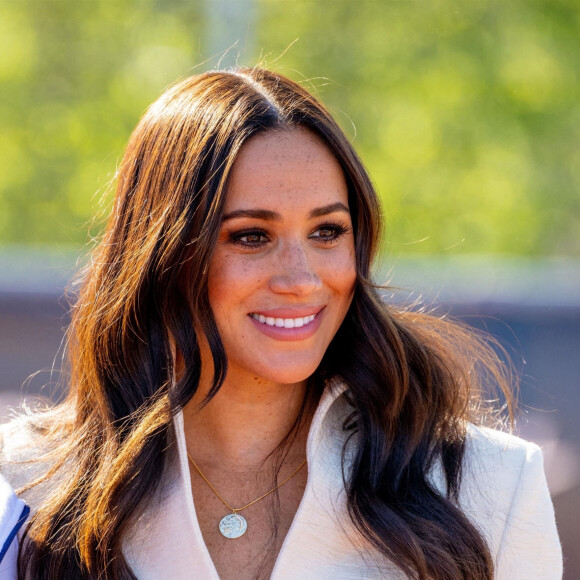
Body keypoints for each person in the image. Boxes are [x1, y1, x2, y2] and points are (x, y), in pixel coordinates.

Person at [0, 67, 561, 580]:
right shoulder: (22, 485)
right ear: (162, 256)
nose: (301, 278)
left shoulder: (492, 487)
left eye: (327, 233)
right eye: (251, 236)